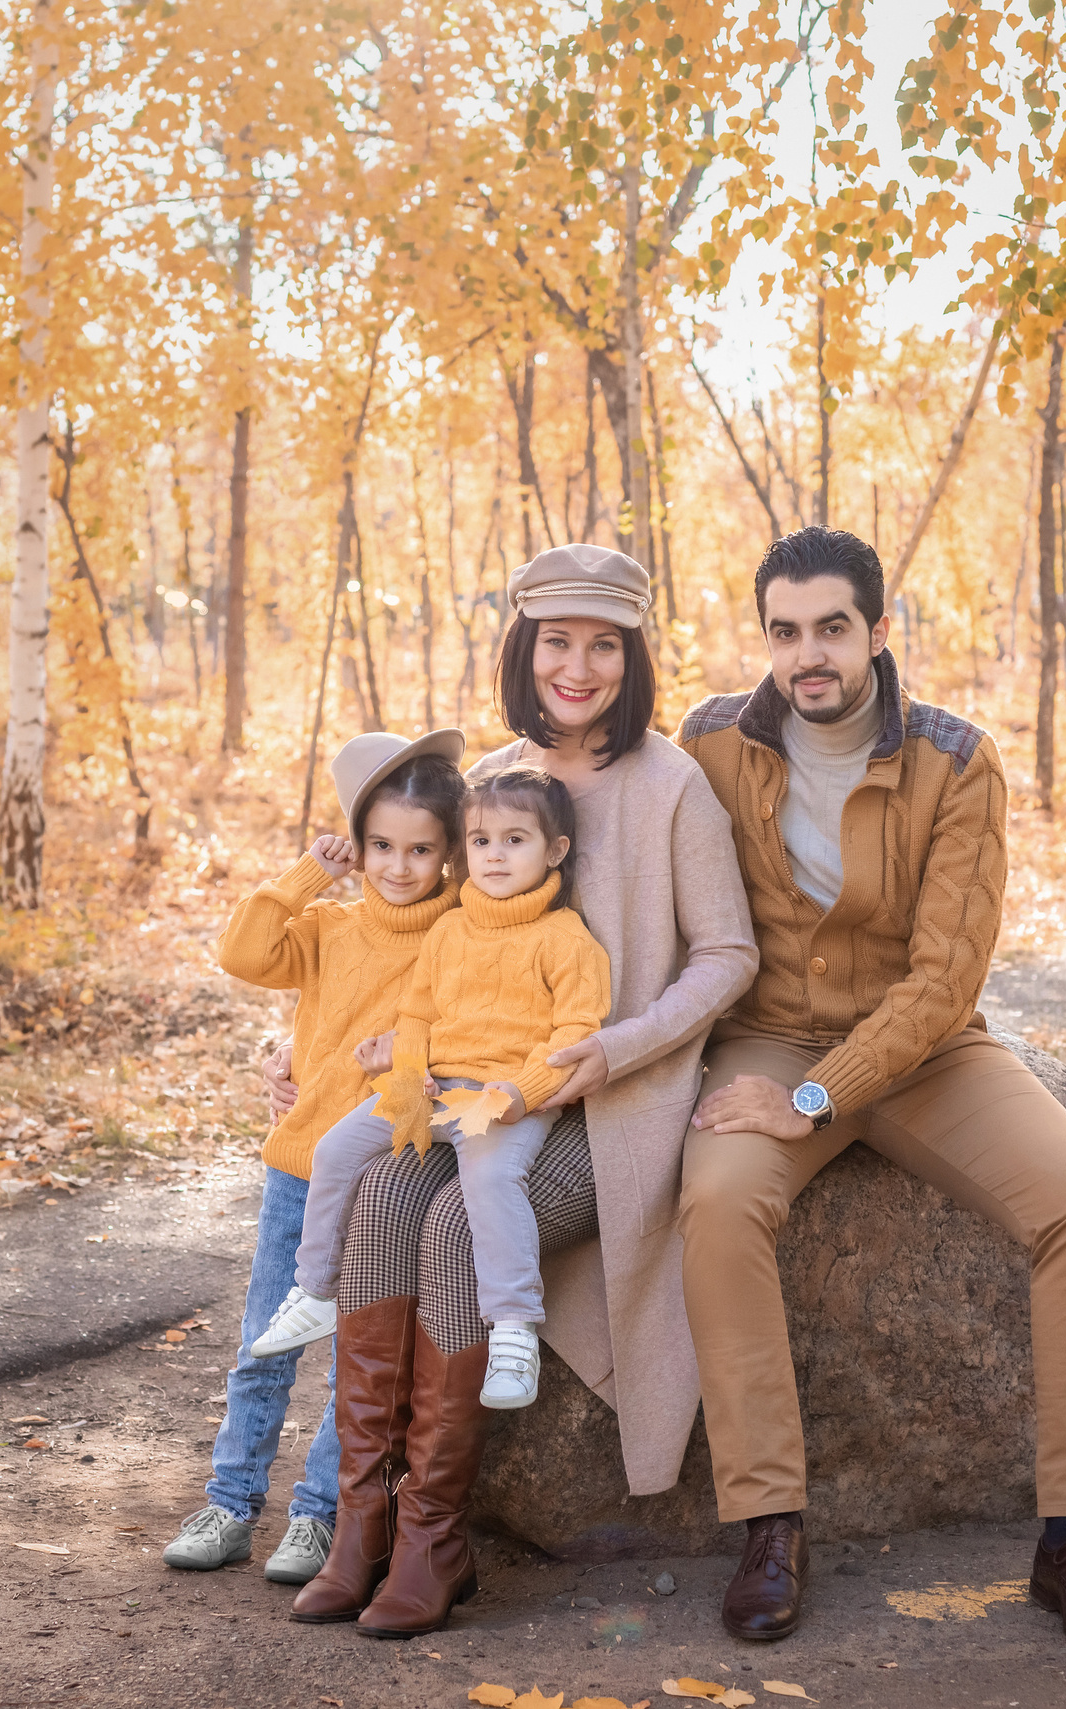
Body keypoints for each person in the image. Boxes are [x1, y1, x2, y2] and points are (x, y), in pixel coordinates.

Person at [674, 526, 1066, 1648]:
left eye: (831, 627)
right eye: (784, 631)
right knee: (720, 1203)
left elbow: (944, 978)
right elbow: (584, 824)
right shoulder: (708, 743)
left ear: (879, 632)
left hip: (927, 1052)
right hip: (771, 1037)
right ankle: (771, 1525)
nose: (807, 655)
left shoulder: (954, 759)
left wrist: (817, 1099)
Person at [285, 544, 758, 1639]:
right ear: (524, 645)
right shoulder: (493, 774)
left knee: (454, 1222)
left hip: (606, 1105)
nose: (578, 665)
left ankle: (436, 1534)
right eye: (558, 639)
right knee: (384, 1194)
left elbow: (727, 955)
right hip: (466, 1089)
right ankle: (369, 1518)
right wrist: (323, 1045)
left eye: (604, 643)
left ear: (632, 654)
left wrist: (622, 1045)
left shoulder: (671, 783)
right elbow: (418, 943)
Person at [170, 729, 465, 1582]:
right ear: (358, 843)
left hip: (388, 1176)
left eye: (420, 849)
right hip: (300, 1168)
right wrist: (309, 872)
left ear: (449, 854)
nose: (399, 867)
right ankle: (230, 1501)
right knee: (266, 1339)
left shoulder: (456, 935)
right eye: (381, 846)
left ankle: (316, 1514)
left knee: (357, 1356)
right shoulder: (331, 924)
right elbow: (243, 951)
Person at [254, 766, 612, 1414]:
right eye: (480, 842)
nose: (494, 855)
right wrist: (408, 1071)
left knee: (489, 1180)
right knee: (337, 1150)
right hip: (430, 1085)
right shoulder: (450, 930)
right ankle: (313, 1290)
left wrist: (519, 1092)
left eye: (515, 840)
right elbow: (415, 1013)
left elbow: (573, 1035)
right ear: (462, 852)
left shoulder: (566, 940)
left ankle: (512, 1326)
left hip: (503, 1096)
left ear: (555, 850)